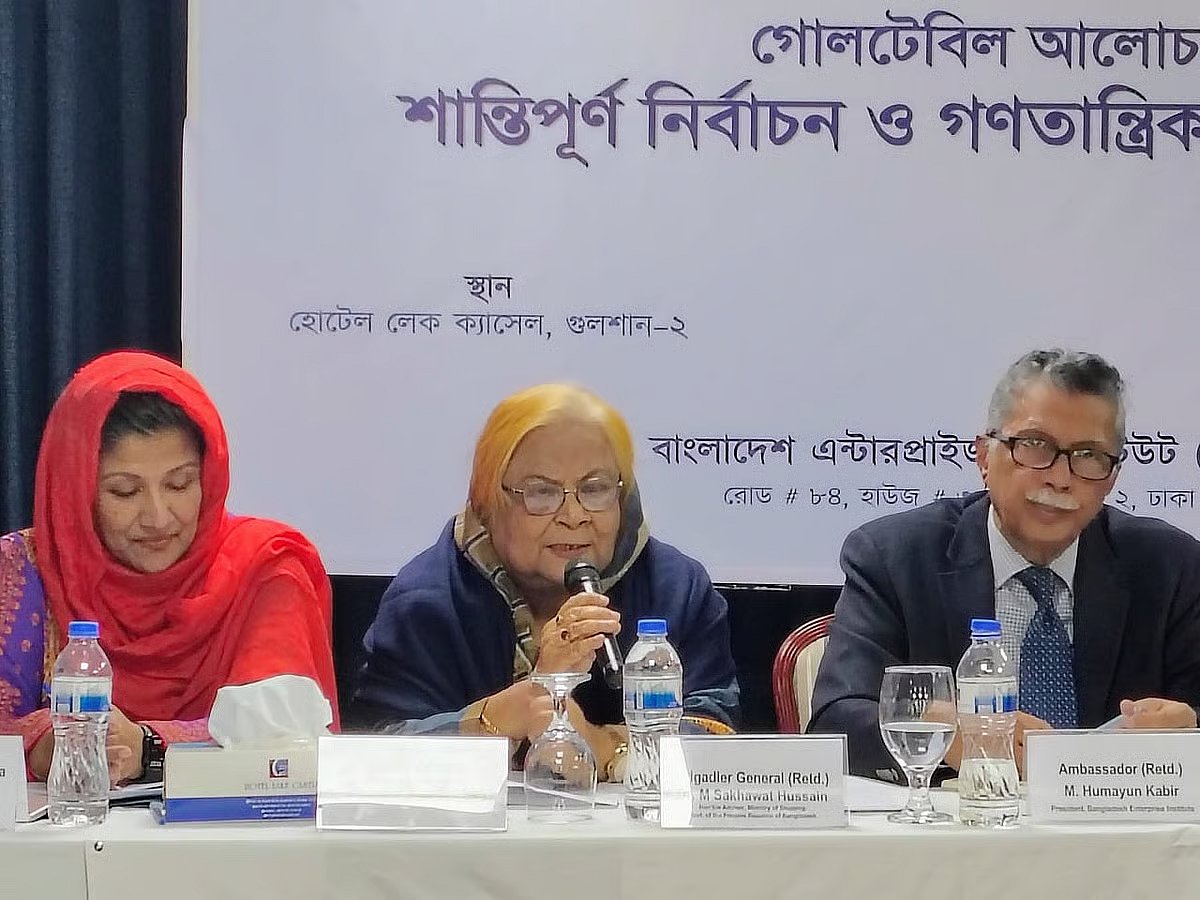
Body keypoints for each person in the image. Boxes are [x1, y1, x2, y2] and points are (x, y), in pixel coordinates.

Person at [810, 348, 1200, 780]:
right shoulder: (895, 557)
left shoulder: (1169, 567)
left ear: (1111, 478)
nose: (1059, 477)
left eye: (1088, 455)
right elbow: (838, 720)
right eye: (1035, 446)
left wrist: (1188, 728)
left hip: (1116, 834)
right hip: (953, 833)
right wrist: (946, 735)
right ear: (983, 455)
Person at [349, 383, 739, 779]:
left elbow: (719, 736)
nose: (574, 515)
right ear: (488, 502)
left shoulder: (675, 588)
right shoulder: (426, 602)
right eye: (541, 492)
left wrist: (605, 747)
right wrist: (498, 719)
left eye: (595, 489)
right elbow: (369, 756)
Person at [0, 351, 339, 782]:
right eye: (124, 492)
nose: (158, 517)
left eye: (180, 484)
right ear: (75, 490)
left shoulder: (268, 567)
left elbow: (283, 740)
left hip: (233, 845)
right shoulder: (25, 566)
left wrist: (147, 744)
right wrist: (46, 739)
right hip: (65, 842)